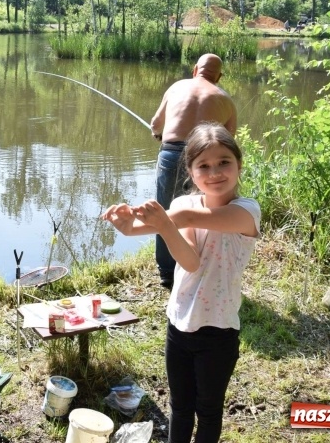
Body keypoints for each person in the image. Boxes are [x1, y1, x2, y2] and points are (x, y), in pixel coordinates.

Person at [102, 123, 260, 443]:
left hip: (219, 329)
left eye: (224, 162)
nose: (214, 172)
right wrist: (131, 227)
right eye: (203, 165)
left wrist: (151, 224)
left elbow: (185, 220)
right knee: (180, 407)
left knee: (209, 409)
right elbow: (190, 262)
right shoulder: (184, 206)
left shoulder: (246, 211)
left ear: (239, 165)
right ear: (190, 171)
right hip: (179, 322)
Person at [149, 54, 237, 288]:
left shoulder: (177, 87)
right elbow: (228, 143)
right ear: (219, 76)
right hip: (204, 161)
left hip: (171, 153)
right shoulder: (225, 99)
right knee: (198, 214)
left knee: (165, 213)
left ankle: (167, 273)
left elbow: (156, 123)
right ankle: (197, 268)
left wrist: (158, 133)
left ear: (195, 69)